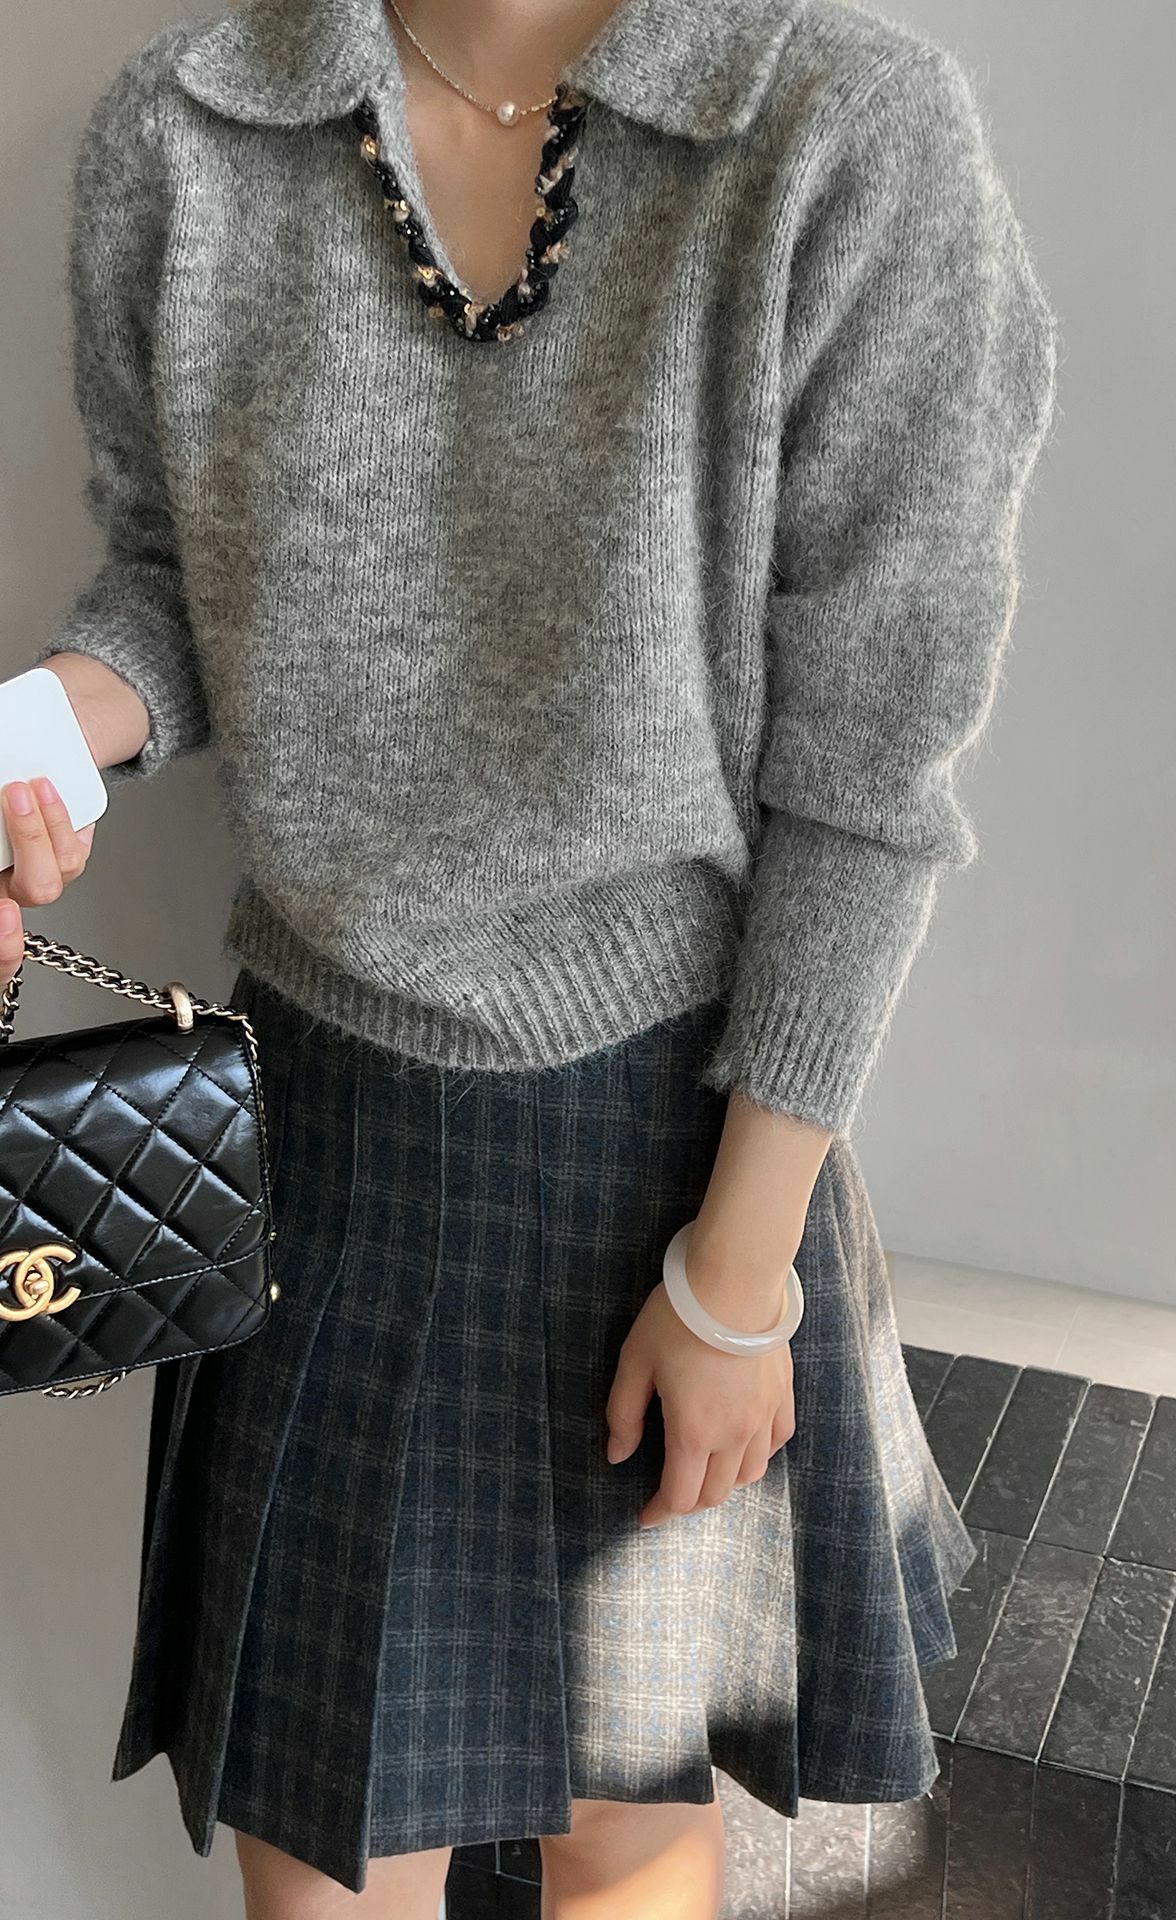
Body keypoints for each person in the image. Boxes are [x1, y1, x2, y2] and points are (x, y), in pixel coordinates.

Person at [2, 0, 1059, 1911]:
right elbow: (173, 580)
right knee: (321, 1837)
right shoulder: (189, 128)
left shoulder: (837, 127)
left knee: (627, 1827)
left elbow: (870, 775)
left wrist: (736, 1282)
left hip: (677, 1145)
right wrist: (39, 737)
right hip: (317, 1130)